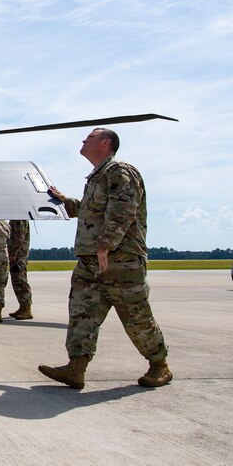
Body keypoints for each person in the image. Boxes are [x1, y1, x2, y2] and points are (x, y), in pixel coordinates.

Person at [39, 128, 172, 389]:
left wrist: (106, 245)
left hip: (119, 260)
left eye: (89, 137)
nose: (83, 140)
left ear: (105, 142)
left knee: (136, 316)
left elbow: (124, 209)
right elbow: (91, 211)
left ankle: (160, 365)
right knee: (81, 314)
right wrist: (66, 201)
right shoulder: (96, 177)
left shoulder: (120, 171)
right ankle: (75, 368)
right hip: (90, 261)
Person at [7, 220, 33, 320]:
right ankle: (22, 307)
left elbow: (19, 238)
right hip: (17, 255)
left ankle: (27, 309)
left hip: (18, 256)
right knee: (16, 282)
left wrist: (13, 253)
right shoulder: (16, 218)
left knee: (21, 282)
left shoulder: (19, 218)